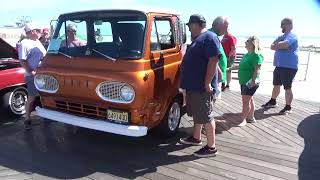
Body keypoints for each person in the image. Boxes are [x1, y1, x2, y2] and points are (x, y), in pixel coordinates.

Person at [179, 14, 220, 157]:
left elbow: (214, 60)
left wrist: (207, 82)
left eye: (190, 25)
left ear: (196, 24)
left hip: (202, 87)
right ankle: (196, 138)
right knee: (198, 113)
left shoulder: (209, 37)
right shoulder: (199, 39)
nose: (189, 28)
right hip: (194, 86)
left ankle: (211, 147)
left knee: (206, 116)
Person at [262, 18, 299, 115]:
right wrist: (279, 45)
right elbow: (272, 46)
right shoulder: (281, 36)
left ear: (289, 25)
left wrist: (278, 45)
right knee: (276, 85)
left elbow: (285, 45)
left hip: (289, 66)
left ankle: (288, 107)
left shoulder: (292, 36)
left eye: (283, 24)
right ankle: (273, 101)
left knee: (287, 87)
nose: (281, 26)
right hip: (279, 66)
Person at [18, 22, 47, 130]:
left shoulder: (37, 42)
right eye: (38, 30)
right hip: (32, 75)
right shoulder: (24, 43)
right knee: (32, 96)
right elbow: (22, 60)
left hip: (42, 74)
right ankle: (27, 118)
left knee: (45, 95)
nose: (40, 33)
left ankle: (46, 115)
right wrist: (31, 71)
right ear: (32, 31)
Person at [237, 36, 263, 127]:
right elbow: (241, 66)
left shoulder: (256, 55)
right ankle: (251, 118)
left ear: (253, 43)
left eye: (247, 41)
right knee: (249, 99)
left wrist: (253, 80)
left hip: (250, 82)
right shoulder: (247, 54)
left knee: (245, 101)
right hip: (243, 81)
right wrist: (229, 68)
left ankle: (243, 119)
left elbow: (257, 70)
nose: (245, 42)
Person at [208, 16, 228, 95]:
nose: (227, 29)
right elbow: (212, 58)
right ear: (219, 25)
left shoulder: (213, 35)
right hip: (214, 76)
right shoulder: (211, 36)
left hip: (216, 76)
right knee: (211, 100)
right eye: (226, 26)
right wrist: (219, 72)